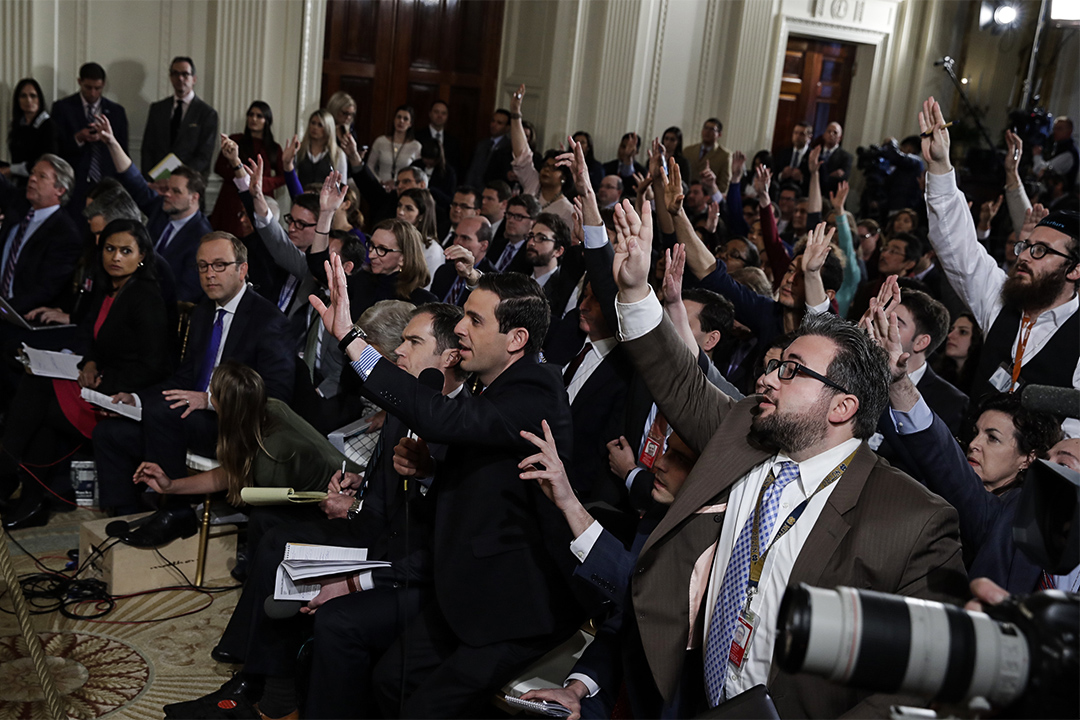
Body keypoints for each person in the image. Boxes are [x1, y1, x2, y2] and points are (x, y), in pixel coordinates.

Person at [604, 196, 966, 717]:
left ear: (843, 407)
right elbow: (679, 379)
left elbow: (924, 678)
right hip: (691, 698)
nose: (767, 377)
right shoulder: (744, 433)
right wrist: (636, 289)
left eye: (793, 371)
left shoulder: (913, 520)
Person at [310, 257, 588, 717]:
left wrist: (351, 340)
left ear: (516, 340)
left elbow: (438, 415)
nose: (460, 328)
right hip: (461, 589)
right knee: (388, 681)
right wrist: (429, 474)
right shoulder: (491, 386)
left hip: (512, 610)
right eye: (464, 315)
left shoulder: (535, 391)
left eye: (475, 320)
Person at [169, 303, 467, 720]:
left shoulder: (462, 422)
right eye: (400, 341)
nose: (399, 351)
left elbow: (434, 520)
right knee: (275, 539)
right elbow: (386, 493)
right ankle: (260, 686)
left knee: (284, 552)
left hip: (406, 561)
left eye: (413, 342)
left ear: (449, 356)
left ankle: (267, 692)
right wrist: (357, 487)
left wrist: (358, 571)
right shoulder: (407, 406)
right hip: (374, 532)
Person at [91, 231, 294, 522]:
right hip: (189, 422)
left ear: (242, 269)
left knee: (163, 413)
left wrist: (211, 400)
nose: (210, 274)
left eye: (219, 265)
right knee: (110, 433)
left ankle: (176, 513)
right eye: (203, 266)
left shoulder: (269, 321)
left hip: (235, 426)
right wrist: (135, 400)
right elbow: (183, 379)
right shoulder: (204, 311)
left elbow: (277, 396)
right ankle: (126, 519)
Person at [869, 300, 1062, 593]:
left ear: (1028, 458)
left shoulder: (1015, 513)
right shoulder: (933, 487)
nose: (974, 444)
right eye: (977, 433)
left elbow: (940, 452)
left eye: (992, 438)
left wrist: (899, 382)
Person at [920, 96, 1079, 435]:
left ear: (1075, 270)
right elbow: (959, 249)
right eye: (1026, 246)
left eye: (1040, 251)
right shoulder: (1002, 302)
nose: (1022, 256)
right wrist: (940, 168)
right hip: (966, 461)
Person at [0, 219, 171, 529]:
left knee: (37, 395)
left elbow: (154, 366)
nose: (116, 257)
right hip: (98, 384)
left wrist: (106, 381)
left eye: (125, 250)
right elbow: (95, 343)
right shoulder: (111, 289)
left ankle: (10, 476)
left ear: (142, 255)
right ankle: (31, 499)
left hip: (120, 399)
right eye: (109, 249)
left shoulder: (146, 297)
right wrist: (89, 363)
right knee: (36, 389)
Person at [132, 361, 353, 547]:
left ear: (219, 404)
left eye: (212, 394)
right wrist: (171, 485)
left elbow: (245, 481)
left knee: (261, 520)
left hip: (333, 505)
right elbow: (229, 473)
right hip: (329, 490)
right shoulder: (267, 408)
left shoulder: (272, 453)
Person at [95, 113, 211, 302]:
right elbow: (133, 180)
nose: (167, 194)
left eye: (176, 191)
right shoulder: (162, 209)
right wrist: (111, 142)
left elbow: (187, 291)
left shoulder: (201, 237)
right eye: (166, 189)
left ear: (194, 198)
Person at [308, 175, 435, 313]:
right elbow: (318, 265)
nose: (372, 254)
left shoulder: (423, 302)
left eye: (382, 249)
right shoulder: (361, 282)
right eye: (372, 246)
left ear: (404, 258)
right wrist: (326, 213)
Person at [0, 154, 82, 315]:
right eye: (32, 173)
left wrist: (5, 310)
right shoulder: (20, 205)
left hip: (22, 317)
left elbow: (46, 289)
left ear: (60, 190)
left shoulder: (66, 234)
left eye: (41, 176)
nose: (32, 179)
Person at [50, 62, 129, 210]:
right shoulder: (63, 108)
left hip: (106, 181)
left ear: (104, 84)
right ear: (79, 82)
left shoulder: (117, 112)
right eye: (88, 87)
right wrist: (78, 138)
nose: (93, 93)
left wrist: (107, 140)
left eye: (97, 88)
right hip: (74, 181)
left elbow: (123, 150)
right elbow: (56, 149)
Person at [209, 102, 284, 237]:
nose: (253, 119)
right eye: (251, 114)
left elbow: (283, 177)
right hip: (232, 196)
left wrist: (263, 182)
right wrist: (241, 175)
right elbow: (219, 167)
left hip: (260, 195)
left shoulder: (274, 148)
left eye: (259, 116)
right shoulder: (236, 139)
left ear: (267, 120)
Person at [140, 57, 218, 176]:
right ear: (171, 77)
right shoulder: (157, 109)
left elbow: (204, 156)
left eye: (185, 74)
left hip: (190, 183)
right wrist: (150, 178)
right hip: (157, 183)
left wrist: (177, 178)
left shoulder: (207, 113)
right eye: (175, 74)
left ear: (194, 79)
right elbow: (147, 148)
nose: (180, 78)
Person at [509, 86, 574, 226]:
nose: (546, 170)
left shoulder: (567, 211)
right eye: (545, 166)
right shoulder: (533, 182)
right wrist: (515, 114)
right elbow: (522, 154)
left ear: (563, 177)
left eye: (553, 168)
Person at [429, 215, 493, 306]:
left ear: (483, 246)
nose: (456, 242)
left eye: (465, 238)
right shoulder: (444, 271)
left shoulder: (493, 281)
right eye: (456, 236)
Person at [5, 79, 57, 184]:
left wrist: (12, 170)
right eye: (23, 96)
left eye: (33, 96)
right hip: (19, 183)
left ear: (39, 99)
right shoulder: (19, 124)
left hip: (40, 183)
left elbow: (48, 159)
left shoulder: (47, 125)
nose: (28, 100)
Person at [367, 104, 422, 186]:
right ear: (394, 119)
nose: (401, 121)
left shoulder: (416, 146)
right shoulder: (380, 141)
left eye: (405, 119)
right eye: (398, 117)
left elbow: (417, 172)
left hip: (403, 187)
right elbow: (370, 165)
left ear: (410, 124)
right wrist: (379, 181)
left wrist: (397, 182)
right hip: (379, 186)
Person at [397, 187, 443, 283]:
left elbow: (429, 286)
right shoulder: (392, 238)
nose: (400, 212)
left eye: (408, 209)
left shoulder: (432, 249)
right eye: (399, 205)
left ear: (421, 215)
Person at [931, 312, 984, 395]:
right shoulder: (936, 370)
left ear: (977, 340)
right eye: (951, 330)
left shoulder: (980, 383)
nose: (950, 335)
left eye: (963, 332)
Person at [487, 193, 540, 274]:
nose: (511, 220)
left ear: (533, 222)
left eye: (519, 217)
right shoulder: (495, 245)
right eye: (509, 215)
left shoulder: (532, 254)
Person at [463, 107, 513, 188]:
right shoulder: (482, 144)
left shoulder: (508, 147)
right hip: (473, 189)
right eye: (493, 121)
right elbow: (472, 169)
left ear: (507, 127)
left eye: (499, 123)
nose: (494, 125)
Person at [296, 109, 346, 188]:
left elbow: (342, 183)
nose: (314, 127)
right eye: (313, 123)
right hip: (302, 197)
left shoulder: (337, 154)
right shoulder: (300, 149)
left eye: (320, 125)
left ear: (328, 128)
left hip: (325, 198)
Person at [414, 99, 462, 175]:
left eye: (443, 113)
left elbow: (456, 166)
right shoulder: (417, 136)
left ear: (447, 116)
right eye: (436, 112)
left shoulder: (453, 141)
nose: (440, 116)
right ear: (430, 114)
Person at [683, 117, 732, 191]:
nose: (707, 132)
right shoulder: (688, 151)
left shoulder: (725, 155)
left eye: (712, 129)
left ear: (719, 134)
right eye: (705, 128)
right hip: (686, 193)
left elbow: (724, 184)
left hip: (708, 196)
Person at [771, 121, 814, 195]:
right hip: (782, 190)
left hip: (802, 193)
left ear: (809, 137)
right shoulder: (783, 153)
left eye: (801, 134)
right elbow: (774, 173)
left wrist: (801, 178)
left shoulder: (813, 156)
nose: (797, 136)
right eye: (795, 133)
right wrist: (782, 175)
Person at [815, 121, 852, 194]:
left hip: (833, 194)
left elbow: (842, 179)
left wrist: (822, 176)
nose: (831, 134)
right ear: (824, 135)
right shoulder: (816, 152)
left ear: (840, 137)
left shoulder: (846, 157)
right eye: (829, 131)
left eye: (835, 132)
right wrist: (830, 175)